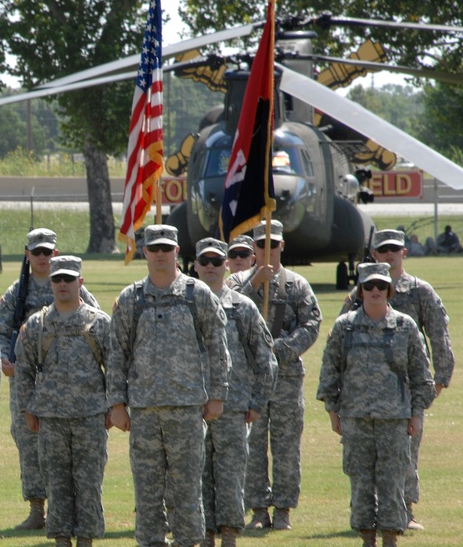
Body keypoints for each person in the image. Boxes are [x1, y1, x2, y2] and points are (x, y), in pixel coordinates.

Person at [108, 224, 230, 547]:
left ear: (177, 252)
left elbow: (218, 348)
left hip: (187, 411)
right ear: (144, 252)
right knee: (147, 492)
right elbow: (117, 353)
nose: (160, 254)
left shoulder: (197, 295)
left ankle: (188, 542)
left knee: (188, 490)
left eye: (167, 248)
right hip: (144, 413)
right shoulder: (130, 299)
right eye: (154, 248)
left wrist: (217, 395)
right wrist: (116, 403)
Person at [339, 229, 455, 530]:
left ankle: (406, 510)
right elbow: (340, 340)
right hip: (363, 394)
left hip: (405, 390)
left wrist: (439, 381)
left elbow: (439, 336)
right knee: (365, 458)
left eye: (395, 250)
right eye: (383, 250)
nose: (389, 255)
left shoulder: (420, 291)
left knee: (405, 455)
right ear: (374, 255)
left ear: (405, 253)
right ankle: (369, 515)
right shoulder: (358, 295)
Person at [318, 262, 435, 547]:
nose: (374, 291)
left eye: (380, 286)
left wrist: (417, 414)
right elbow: (330, 371)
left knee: (393, 481)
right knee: (360, 481)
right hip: (355, 419)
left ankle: (390, 537)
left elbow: (421, 376)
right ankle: (366, 536)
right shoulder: (345, 326)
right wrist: (333, 411)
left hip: (394, 419)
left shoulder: (405, 327)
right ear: (360, 290)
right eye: (368, 286)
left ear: (389, 290)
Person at [0, 228, 99, 530]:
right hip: (26, 381)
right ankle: (37, 508)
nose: (42, 257)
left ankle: (67, 509)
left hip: (68, 383)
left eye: (47, 252)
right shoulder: (17, 293)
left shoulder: (74, 286)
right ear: (27, 255)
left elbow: (97, 323)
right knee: (28, 442)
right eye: (36, 252)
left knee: (68, 445)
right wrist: (4, 359)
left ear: (55, 254)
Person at [228, 219, 322, 531]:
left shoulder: (296, 285)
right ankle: (257, 508)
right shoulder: (237, 282)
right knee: (252, 446)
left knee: (285, 446)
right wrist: (254, 283)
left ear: (282, 246)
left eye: (273, 244)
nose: (267, 250)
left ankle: (283, 508)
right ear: (253, 249)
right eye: (261, 245)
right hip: (249, 378)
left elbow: (311, 323)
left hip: (285, 378)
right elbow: (224, 310)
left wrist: (279, 348)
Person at [14, 255, 111, 547]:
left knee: (89, 484)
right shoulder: (37, 325)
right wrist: (26, 409)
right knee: (56, 485)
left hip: (90, 418)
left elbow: (116, 369)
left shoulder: (99, 323)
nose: (63, 284)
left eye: (69, 279)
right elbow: (24, 371)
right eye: (57, 279)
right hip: (51, 420)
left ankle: (85, 540)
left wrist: (115, 407)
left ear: (80, 282)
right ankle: (60, 541)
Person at [193, 238, 277, 547]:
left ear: (227, 265)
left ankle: (229, 534)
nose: (212, 267)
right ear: (195, 265)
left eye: (218, 261)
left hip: (233, 407)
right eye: (206, 262)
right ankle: (204, 535)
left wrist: (257, 402)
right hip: (192, 407)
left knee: (229, 476)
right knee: (197, 474)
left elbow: (266, 358)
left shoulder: (242, 307)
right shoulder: (183, 303)